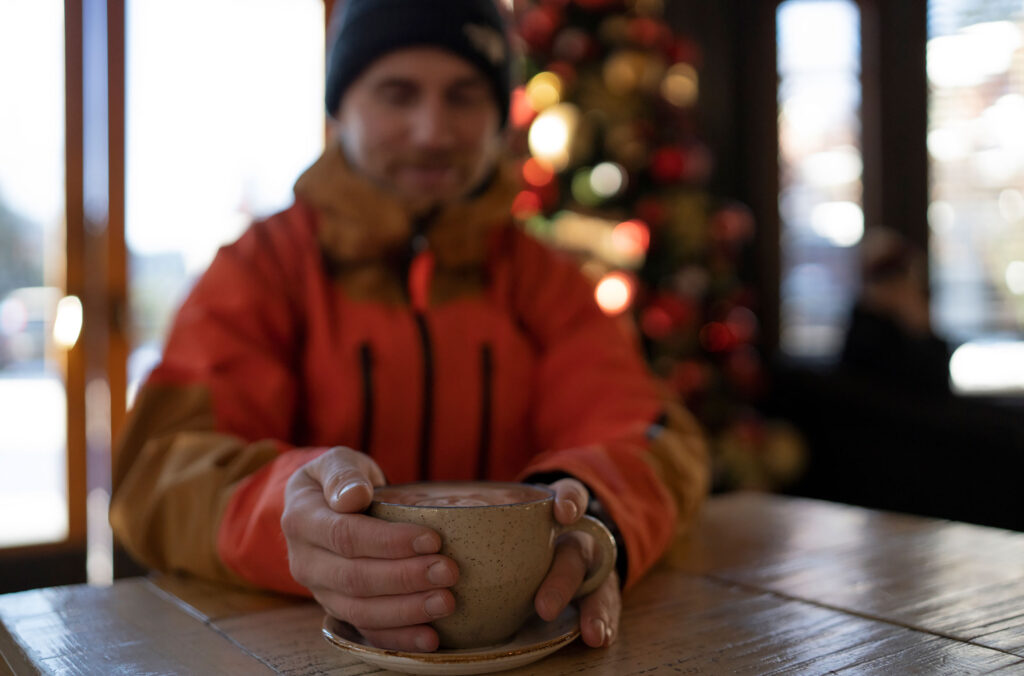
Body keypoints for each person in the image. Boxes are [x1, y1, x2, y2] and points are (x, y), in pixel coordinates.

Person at [110, 0, 709, 654]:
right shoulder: (262, 269)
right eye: (398, 94)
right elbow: (160, 472)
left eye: (464, 97)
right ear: (341, 108)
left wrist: (590, 515)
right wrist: (292, 518)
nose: (433, 131)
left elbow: (651, 433)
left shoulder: (545, 281)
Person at [840, 227, 952, 395]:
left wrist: (919, 329)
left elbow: (937, 387)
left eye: (900, 274)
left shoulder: (916, 319)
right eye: (884, 276)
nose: (895, 285)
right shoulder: (864, 330)